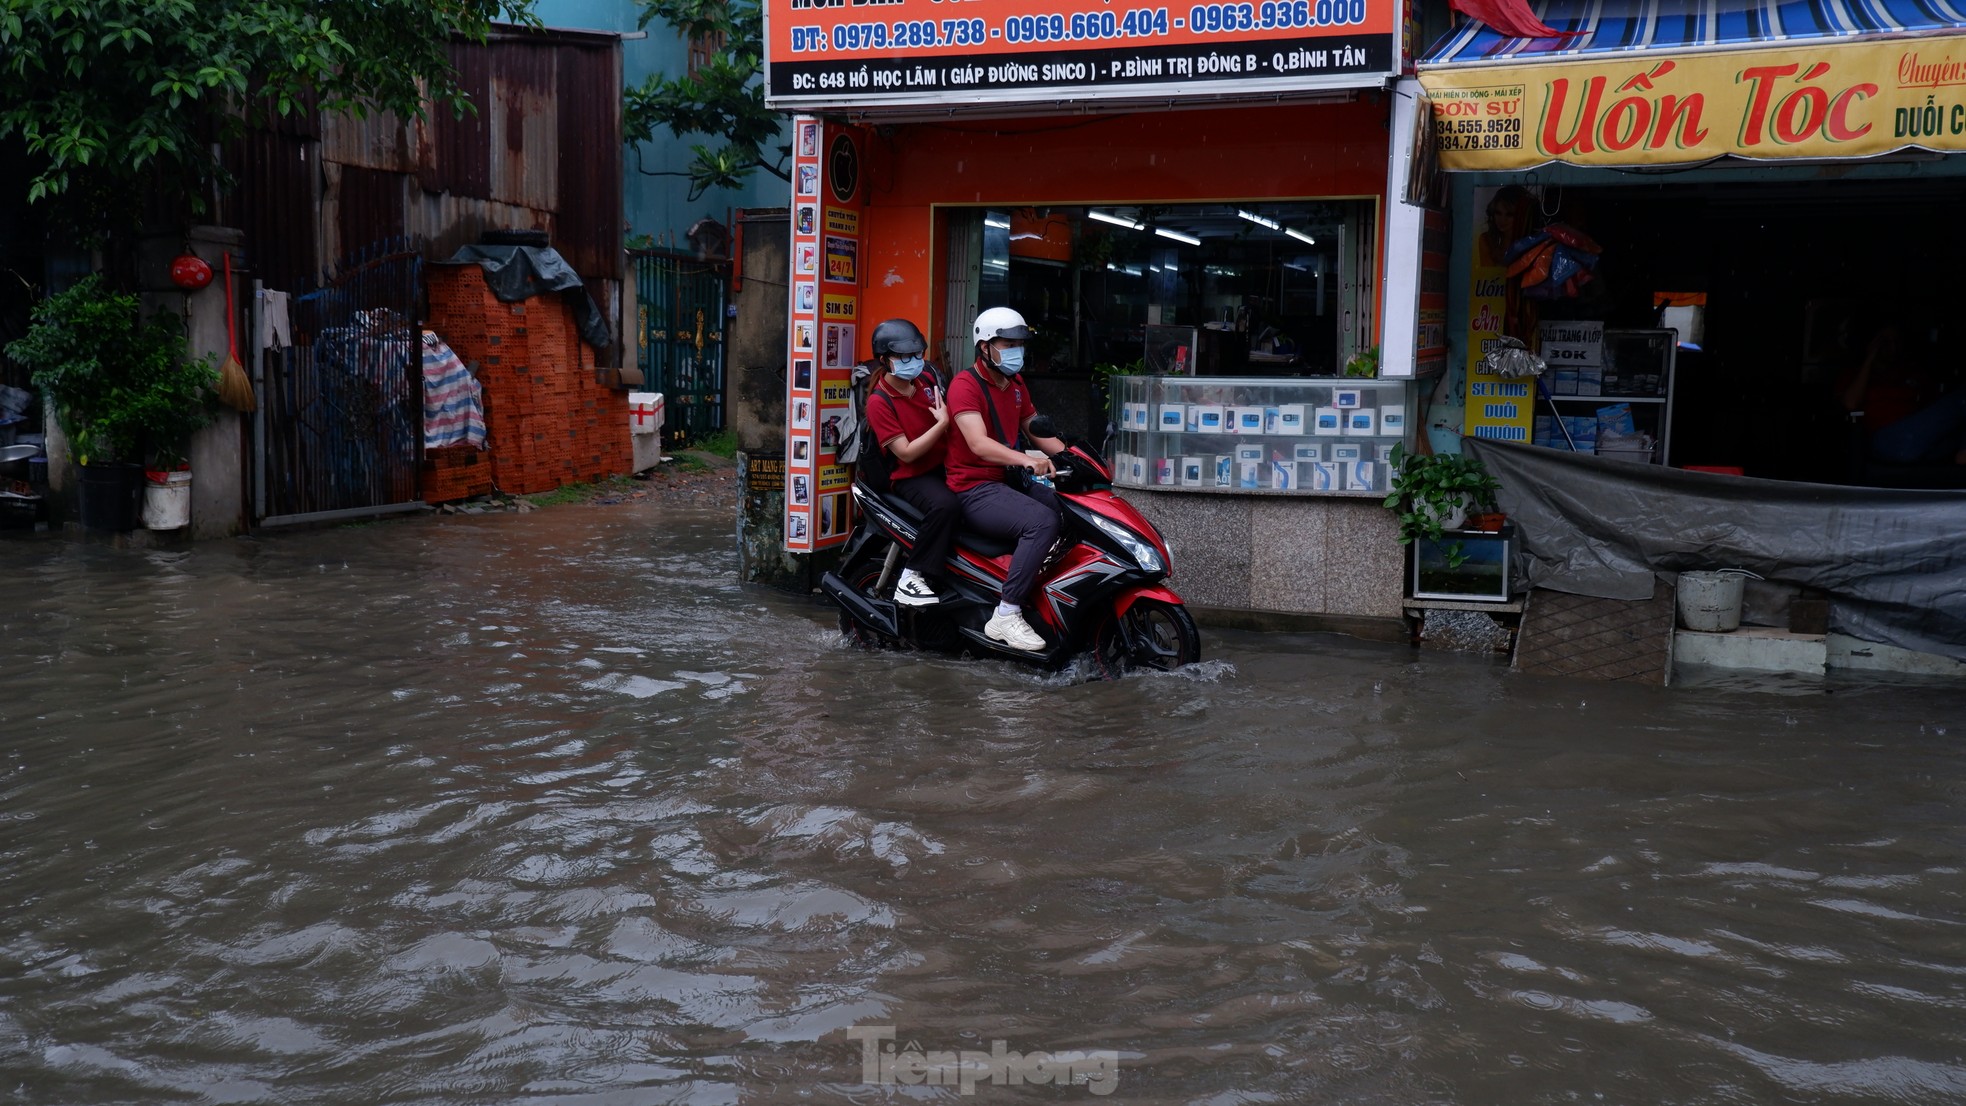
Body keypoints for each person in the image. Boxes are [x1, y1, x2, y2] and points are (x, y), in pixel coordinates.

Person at [945, 307, 1069, 652]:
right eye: (1008, 343)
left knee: (1067, 509)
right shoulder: (964, 386)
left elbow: (1034, 427)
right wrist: (1027, 461)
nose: (1017, 351)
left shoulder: (1014, 383)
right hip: (973, 487)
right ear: (984, 347)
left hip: (1008, 480)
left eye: (1020, 344)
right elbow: (978, 443)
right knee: (1042, 522)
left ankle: (1043, 591)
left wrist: (1073, 458)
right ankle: (1006, 612)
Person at [860, 318, 959, 606]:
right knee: (945, 506)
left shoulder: (926, 380)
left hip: (941, 463)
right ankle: (912, 575)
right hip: (910, 475)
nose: (913, 361)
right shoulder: (880, 402)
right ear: (884, 360)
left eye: (916, 355)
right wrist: (942, 425)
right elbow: (906, 453)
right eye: (903, 357)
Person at [1837, 322, 1966, 466]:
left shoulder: (1911, 371)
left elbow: (1937, 409)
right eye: (1885, 341)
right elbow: (1850, 403)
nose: (1892, 347)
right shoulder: (1855, 374)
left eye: (1896, 341)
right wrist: (1869, 359)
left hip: (1920, 440)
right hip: (1886, 439)